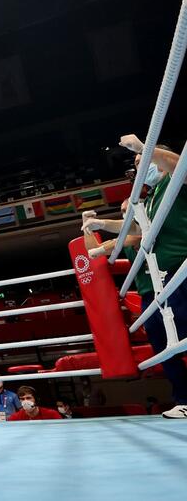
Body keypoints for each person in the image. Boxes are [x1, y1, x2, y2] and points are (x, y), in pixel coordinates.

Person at [84, 137, 187, 419]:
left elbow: (181, 164)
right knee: (166, 343)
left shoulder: (175, 181)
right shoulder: (152, 196)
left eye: (143, 163)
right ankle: (184, 398)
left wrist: (145, 147)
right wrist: (102, 225)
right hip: (158, 281)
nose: (139, 168)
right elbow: (136, 230)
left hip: (180, 271)